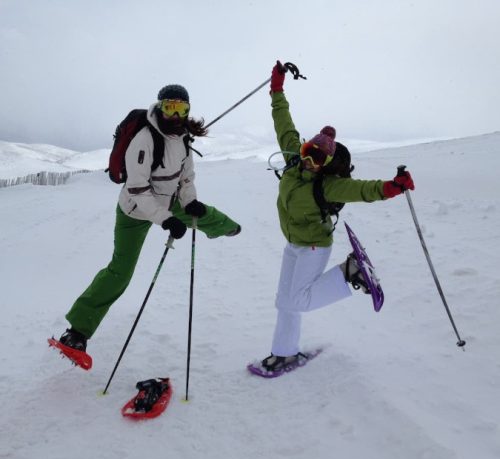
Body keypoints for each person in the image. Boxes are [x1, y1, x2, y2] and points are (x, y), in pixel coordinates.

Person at [57, 84, 241, 357]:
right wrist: (165, 219)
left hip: (168, 203)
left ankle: (227, 229)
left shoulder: (184, 138)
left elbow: (186, 176)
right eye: (170, 107)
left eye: (181, 108)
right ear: (160, 107)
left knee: (203, 212)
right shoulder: (145, 139)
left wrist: (188, 200)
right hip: (135, 211)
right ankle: (77, 331)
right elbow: (138, 189)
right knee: (120, 271)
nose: (175, 114)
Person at [258, 61, 414, 374]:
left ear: (327, 163)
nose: (308, 160)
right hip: (293, 243)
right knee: (284, 301)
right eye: (307, 151)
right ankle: (285, 353)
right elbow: (283, 122)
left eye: (317, 157)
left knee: (298, 300)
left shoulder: (328, 185)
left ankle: (348, 271)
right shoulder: (293, 160)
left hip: (315, 245)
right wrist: (277, 88)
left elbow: (362, 189)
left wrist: (392, 187)